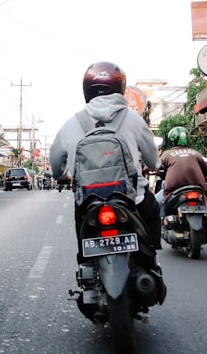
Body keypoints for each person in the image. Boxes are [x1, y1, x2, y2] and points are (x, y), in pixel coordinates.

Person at [48, 61, 161, 262]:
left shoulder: (71, 124)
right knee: (152, 209)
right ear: (120, 88)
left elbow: (55, 163)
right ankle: (150, 259)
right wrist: (154, 166)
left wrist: (61, 175)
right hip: (131, 200)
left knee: (81, 225)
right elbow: (153, 161)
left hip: (88, 202)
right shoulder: (134, 120)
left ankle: (86, 265)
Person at [158, 126, 207, 218]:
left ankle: (160, 228)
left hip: (174, 190)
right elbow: (206, 170)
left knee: (155, 203)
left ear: (172, 140)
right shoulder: (195, 153)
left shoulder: (166, 154)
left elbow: (155, 166)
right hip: (197, 189)